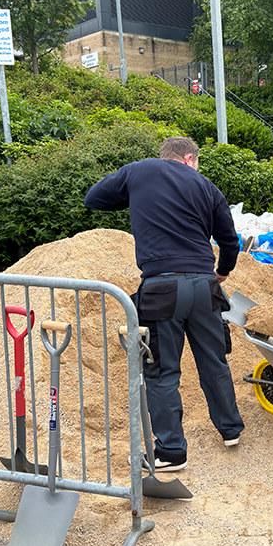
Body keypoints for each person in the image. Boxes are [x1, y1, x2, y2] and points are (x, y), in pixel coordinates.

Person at [84, 136, 243, 471]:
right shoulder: (206, 186)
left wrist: (133, 195)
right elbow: (230, 240)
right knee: (214, 360)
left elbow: (94, 198)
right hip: (205, 286)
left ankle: (171, 451)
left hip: (161, 288)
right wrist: (223, 271)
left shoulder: (138, 172)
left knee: (162, 371)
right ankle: (231, 429)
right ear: (188, 158)